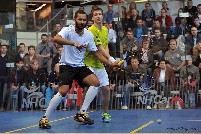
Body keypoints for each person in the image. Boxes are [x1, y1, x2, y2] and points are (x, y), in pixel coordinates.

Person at [39, 10, 118, 129]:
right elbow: (56, 39)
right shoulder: (68, 30)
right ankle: (44, 118)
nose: (81, 22)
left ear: (86, 22)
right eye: (79, 19)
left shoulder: (88, 35)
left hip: (80, 66)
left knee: (96, 83)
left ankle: (82, 112)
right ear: (75, 19)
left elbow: (96, 53)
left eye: (83, 20)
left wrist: (110, 63)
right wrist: (73, 43)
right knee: (63, 91)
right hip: (66, 65)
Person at [74, 7, 117, 124]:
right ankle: (82, 113)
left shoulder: (105, 29)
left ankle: (105, 113)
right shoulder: (91, 30)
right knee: (88, 89)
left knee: (106, 89)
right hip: (89, 64)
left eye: (100, 14)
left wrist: (109, 58)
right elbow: (99, 48)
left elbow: (106, 46)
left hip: (100, 65)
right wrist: (111, 60)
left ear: (102, 16)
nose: (98, 16)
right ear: (92, 18)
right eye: (96, 14)